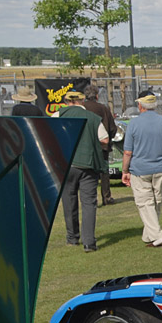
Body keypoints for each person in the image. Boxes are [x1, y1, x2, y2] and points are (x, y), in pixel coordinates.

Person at [121, 90, 162, 248]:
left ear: (140, 105)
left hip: (140, 169)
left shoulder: (134, 124)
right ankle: (149, 236)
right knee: (156, 201)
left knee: (145, 203)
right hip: (161, 167)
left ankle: (157, 236)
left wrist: (125, 171)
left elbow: (128, 152)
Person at [56, 90, 109, 252]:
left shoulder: (57, 116)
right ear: (82, 101)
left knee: (69, 200)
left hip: (66, 165)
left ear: (66, 101)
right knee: (88, 203)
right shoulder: (93, 118)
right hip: (88, 164)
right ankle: (89, 242)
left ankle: (72, 238)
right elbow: (104, 140)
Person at [84, 84, 118, 206]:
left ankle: (91, 198)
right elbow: (113, 128)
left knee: (89, 173)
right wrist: (110, 137)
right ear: (97, 96)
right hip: (102, 145)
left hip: (86, 146)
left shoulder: (82, 108)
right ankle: (106, 197)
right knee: (104, 172)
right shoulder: (103, 108)